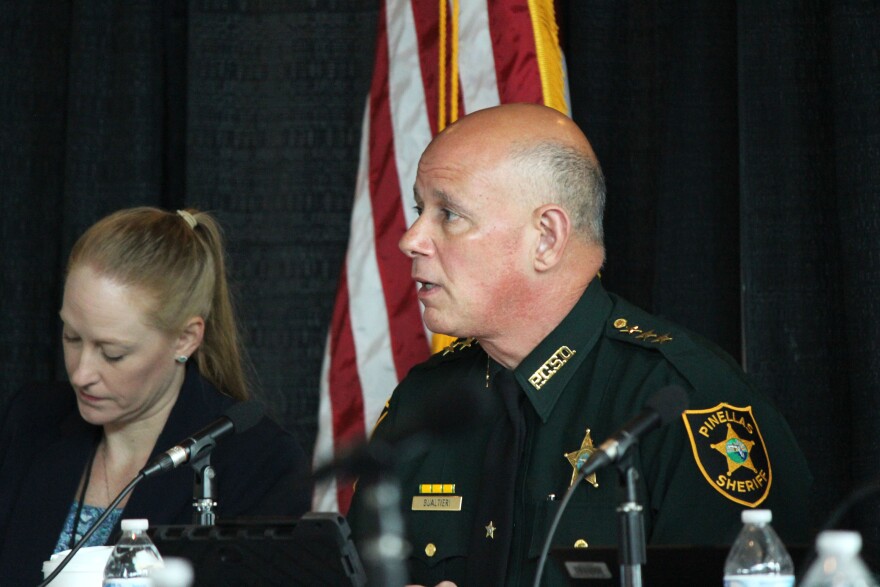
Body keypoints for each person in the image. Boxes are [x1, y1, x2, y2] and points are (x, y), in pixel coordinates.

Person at [346, 104, 813, 586]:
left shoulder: (686, 404)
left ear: (546, 238)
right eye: (422, 211)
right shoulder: (424, 403)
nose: (411, 239)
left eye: (450, 214)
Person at [0, 207, 311, 585]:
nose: (81, 373)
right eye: (71, 337)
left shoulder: (258, 463)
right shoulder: (29, 420)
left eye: (113, 353)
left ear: (185, 339)